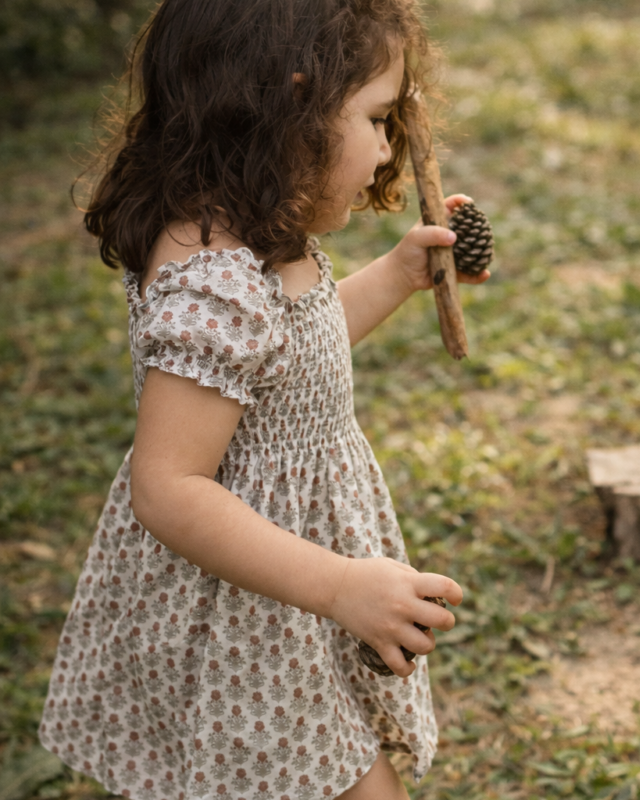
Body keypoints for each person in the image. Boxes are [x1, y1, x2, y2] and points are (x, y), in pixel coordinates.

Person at [38, 1, 490, 798]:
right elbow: (168, 489)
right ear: (293, 106)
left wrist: (396, 276)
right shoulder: (211, 280)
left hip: (289, 594)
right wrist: (340, 587)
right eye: (378, 119)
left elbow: (285, 362)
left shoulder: (254, 237)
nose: (388, 146)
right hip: (244, 619)